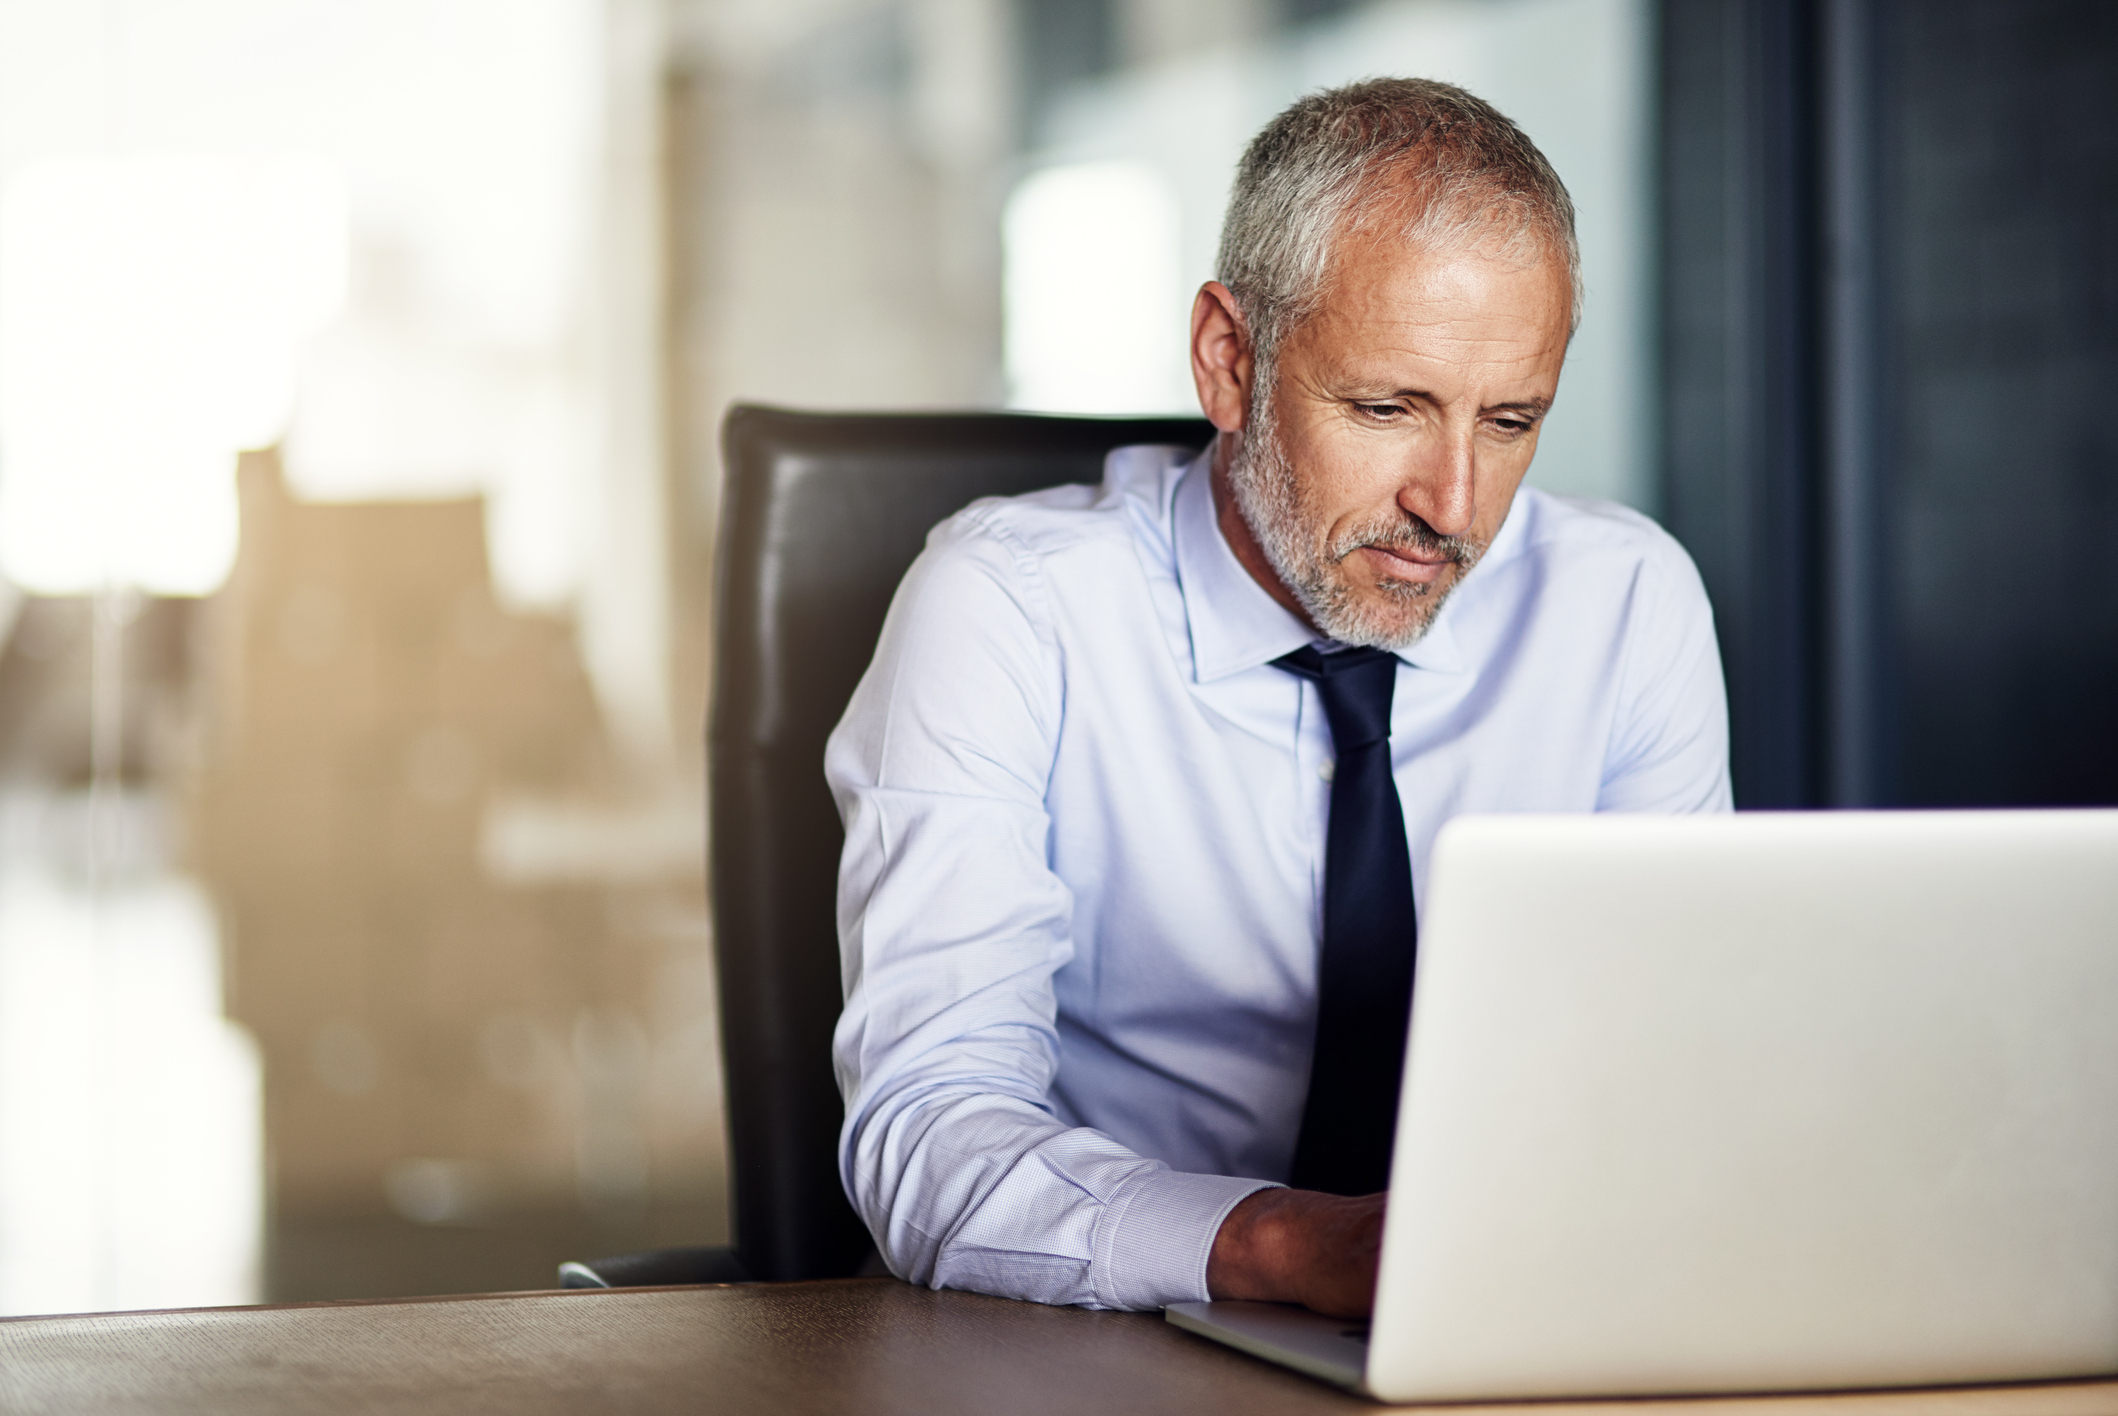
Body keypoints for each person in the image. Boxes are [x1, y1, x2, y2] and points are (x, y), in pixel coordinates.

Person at [825, 77, 1730, 1319]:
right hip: (1103, 1352)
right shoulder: (1009, 608)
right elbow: (926, 1135)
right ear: (1230, 360)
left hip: (1516, 1330)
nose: (1453, 507)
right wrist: (1294, 1250)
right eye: (1386, 408)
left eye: (1511, 421)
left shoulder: (1625, 604)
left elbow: (1684, 1076)